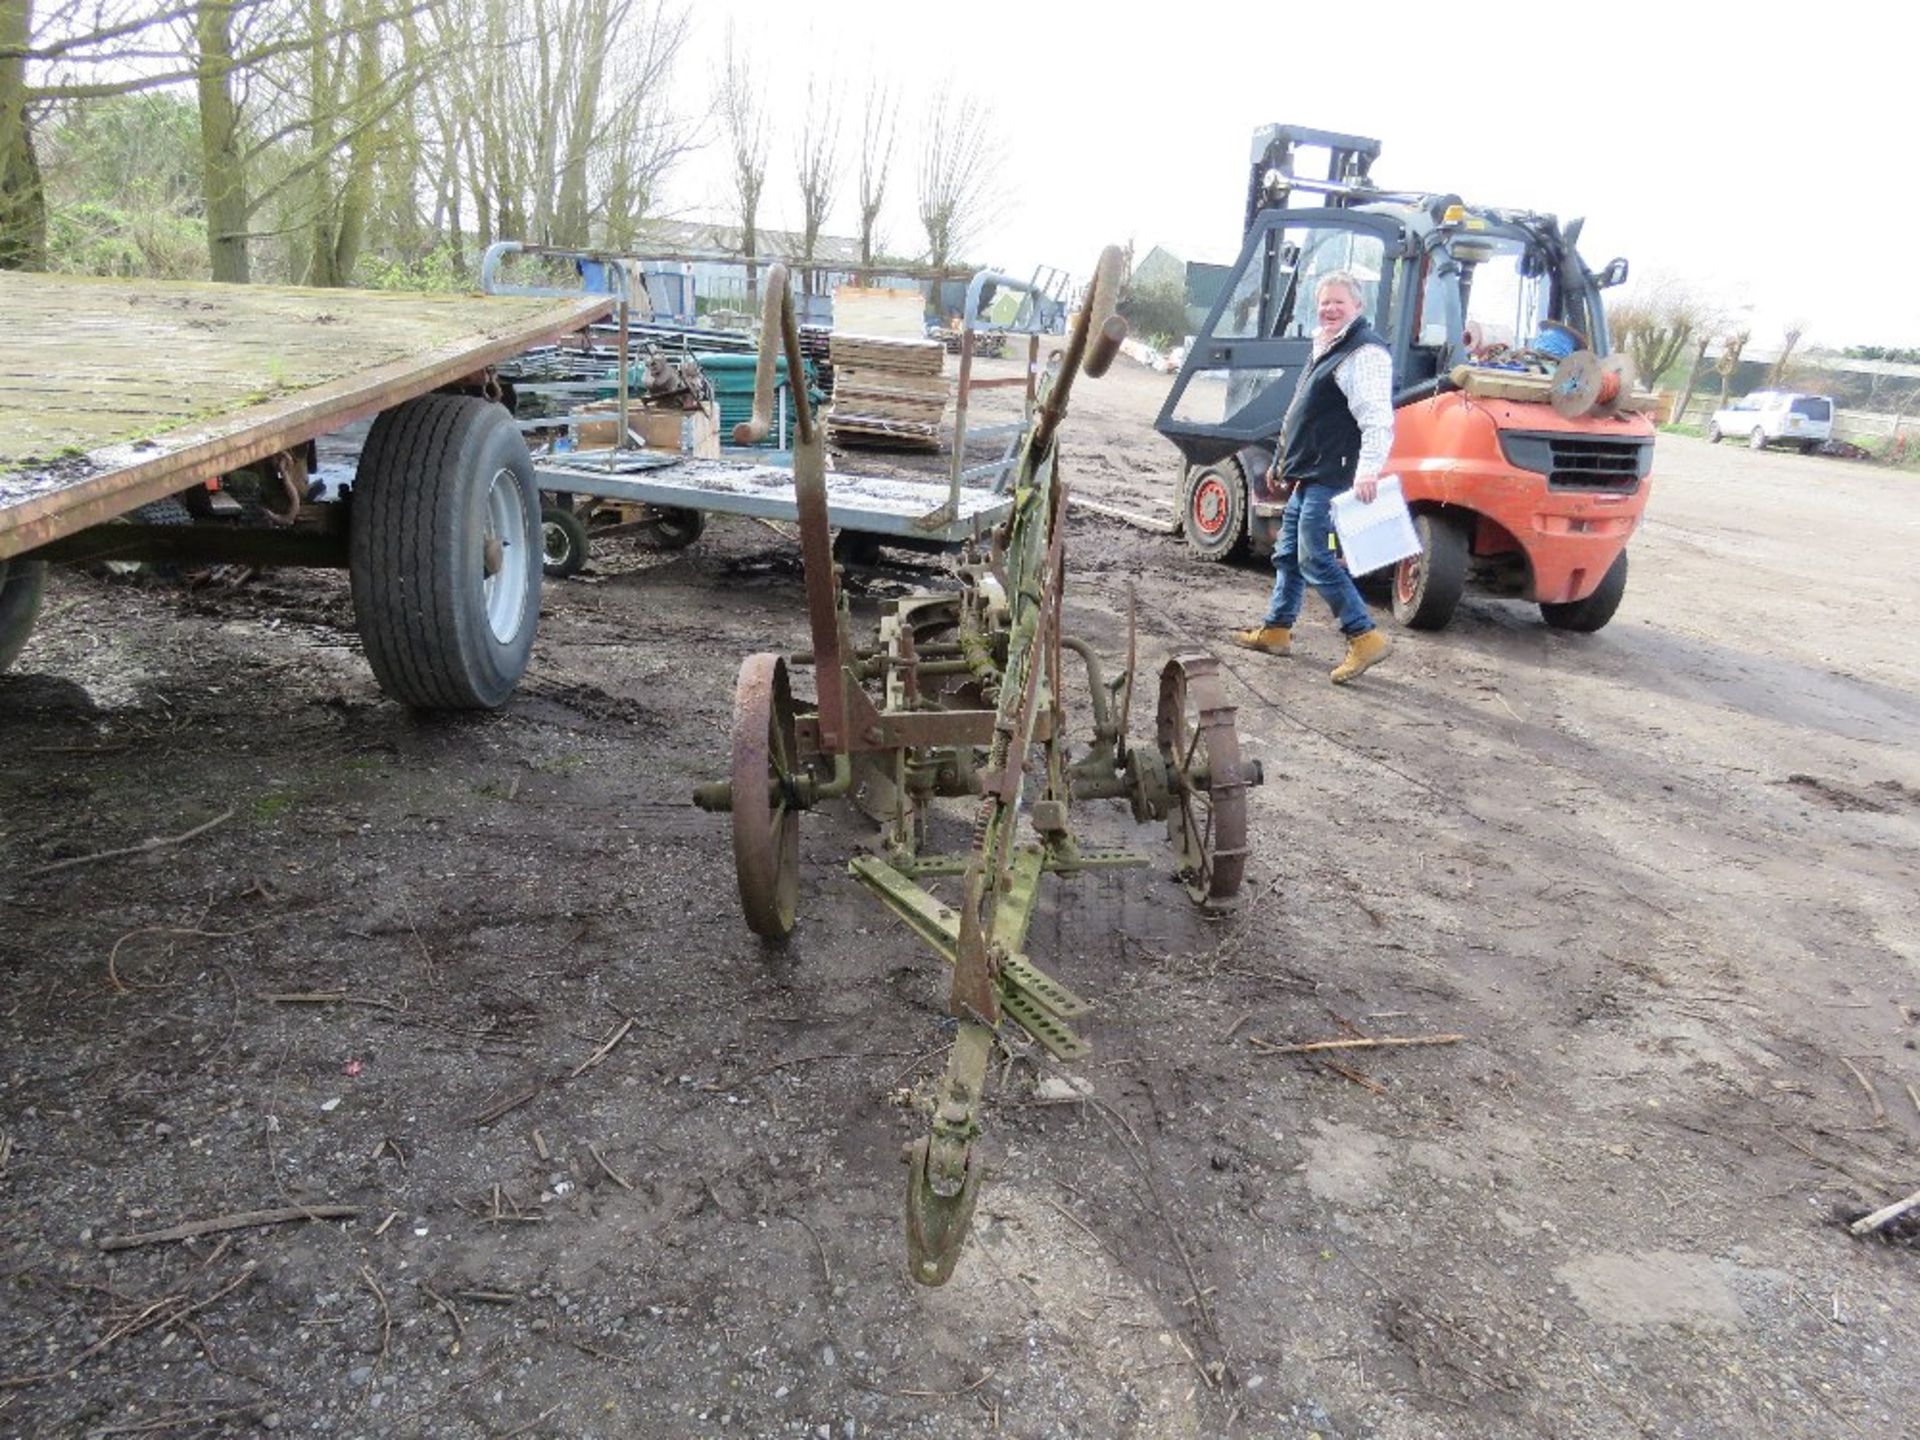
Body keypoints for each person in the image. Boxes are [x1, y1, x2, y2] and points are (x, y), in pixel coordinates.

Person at [1230, 271, 1395, 684]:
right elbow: (1301, 413)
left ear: (1358, 307)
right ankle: (1277, 630)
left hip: (1334, 475)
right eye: (1324, 302)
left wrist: (1369, 470)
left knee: (1314, 556)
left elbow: (1377, 418)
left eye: (1339, 302)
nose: (1330, 309)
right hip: (1311, 471)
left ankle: (1364, 636)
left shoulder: (1364, 353)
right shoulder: (1327, 346)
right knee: (1287, 555)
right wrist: (1282, 461)